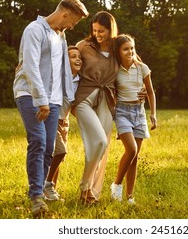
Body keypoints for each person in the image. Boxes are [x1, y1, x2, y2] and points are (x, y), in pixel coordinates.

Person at [13, 0, 88, 217]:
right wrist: (41, 99)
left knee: (49, 147)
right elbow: (30, 66)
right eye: (73, 21)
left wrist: (66, 97)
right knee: (38, 140)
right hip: (30, 94)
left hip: (53, 100)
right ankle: (36, 195)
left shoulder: (60, 36)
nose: (72, 26)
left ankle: (41, 189)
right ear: (64, 14)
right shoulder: (34, 30)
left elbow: (63, 70)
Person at [71, 11, 119, 204]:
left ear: (111, 30)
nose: (98, 34)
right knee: (98, 141)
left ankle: (91, 193)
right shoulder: (84, 46)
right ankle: (85, 187)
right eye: (95, 30)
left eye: (102, 31)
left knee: (101, 147)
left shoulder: (118, 46)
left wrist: (141, 87)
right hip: (84, 98)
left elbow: (135, 63)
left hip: (107, 99)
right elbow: (66, 62)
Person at [110, 34, 157, 205]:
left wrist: (153, 114)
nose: (130, 51)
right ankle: (116, 185)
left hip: (139, 113)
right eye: (125, 49)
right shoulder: (114, 69)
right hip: (122, 111)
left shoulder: (142, 68)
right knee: (131, 149)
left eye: (132, 48)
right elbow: (109, 90)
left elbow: (150, 92)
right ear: (118, 51)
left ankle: (130, 196)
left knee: (135, 156)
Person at [43, 46, 82, 201]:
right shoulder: (58, 76)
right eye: (73, 56)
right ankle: (47, 185)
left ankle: (51, 191)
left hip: (64, 121)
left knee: (57, 158)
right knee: (60, 151)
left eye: (79, 57)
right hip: (51, 119)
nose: (77, 59)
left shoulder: (80, 80)